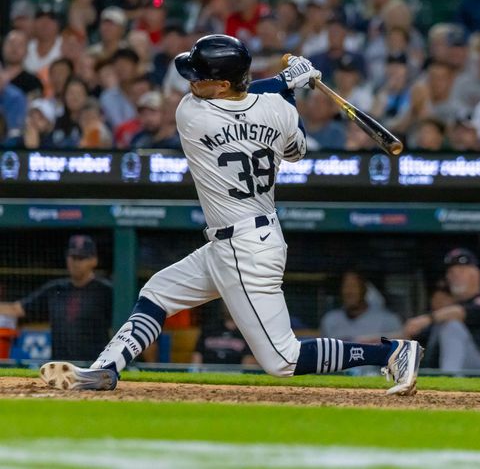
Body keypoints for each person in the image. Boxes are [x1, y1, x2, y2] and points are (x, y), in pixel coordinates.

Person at [39, 34, 422, 396]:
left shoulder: (192, 114)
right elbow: (295, 149)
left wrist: (284, 81)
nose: (190, 83)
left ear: (222, 85)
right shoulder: (278, 110)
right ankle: (106, 369)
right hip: (248, 239)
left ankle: (390, 354)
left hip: (243, 249)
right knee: (158, 292)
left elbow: (252, 98)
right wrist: (290, 87)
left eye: (199, 77)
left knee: (284, 359)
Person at [0, 235, 112, 362]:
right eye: (73, 257)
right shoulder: (56, 289)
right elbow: (17, 309)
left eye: (82, 258)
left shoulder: (106, 291)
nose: (76, 262)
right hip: (60, 367)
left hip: (95, 366)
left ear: (94, 260)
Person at [403, 248, 480, 374]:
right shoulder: (446, 311)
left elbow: (460, 312)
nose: (455, 276)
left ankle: (449, 379)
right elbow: (413, 333)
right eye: (451, 272)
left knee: (451, 326)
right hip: (442, 370)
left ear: (475, 274)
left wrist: (427, 319)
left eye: (461, 271)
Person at [319, 270, 402, 344]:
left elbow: (398, 355)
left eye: (354, 286)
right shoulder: (330, 320)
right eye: (345, 286)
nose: (349, 292)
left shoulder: (388, 321)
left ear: (364, 289)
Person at [192, 302, 257, 366]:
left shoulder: (246, 332)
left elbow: (248, 363)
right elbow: (197, 357)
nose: (230, 306)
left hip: (235, 374)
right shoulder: (209, 328)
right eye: (227, 302)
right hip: (208, 373)